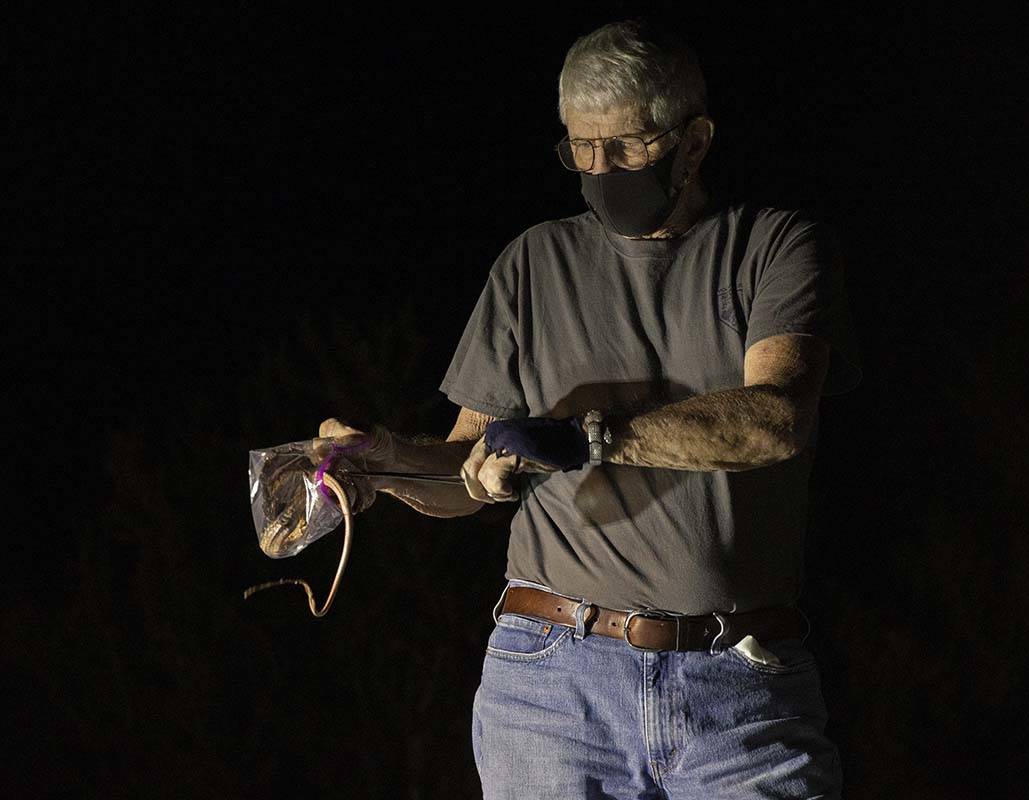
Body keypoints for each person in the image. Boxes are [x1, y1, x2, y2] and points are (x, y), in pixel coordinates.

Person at [321, 18, 861, 799]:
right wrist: (378, 461)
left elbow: (773, 419)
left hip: (739, 684)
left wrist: (587, 439)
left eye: (627, 146)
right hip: (550, 683)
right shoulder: (533, 263)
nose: (599, 169)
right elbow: (467, 470)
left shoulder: (775, 247)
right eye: (580, 146)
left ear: (695, 141)